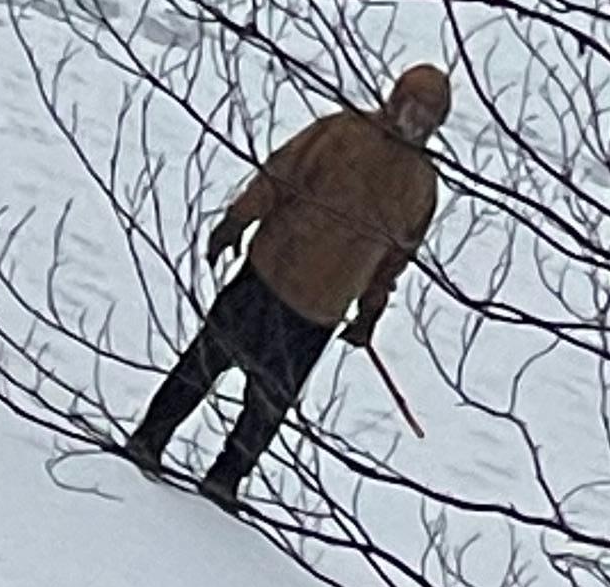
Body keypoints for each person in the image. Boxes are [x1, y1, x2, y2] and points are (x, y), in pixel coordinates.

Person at [119, 62, 451, 510]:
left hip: (320, 311)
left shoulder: (422, 186)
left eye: (431, 116)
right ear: (396, 99)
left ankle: (225, 479)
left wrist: (369, 312)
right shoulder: (343, 133)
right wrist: (238, 220)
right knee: (204, 362)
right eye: (415, 107)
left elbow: (393, 259)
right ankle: (149, 439)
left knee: (268, 404)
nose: (419, 122)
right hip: (269, 274)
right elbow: (282, 174)